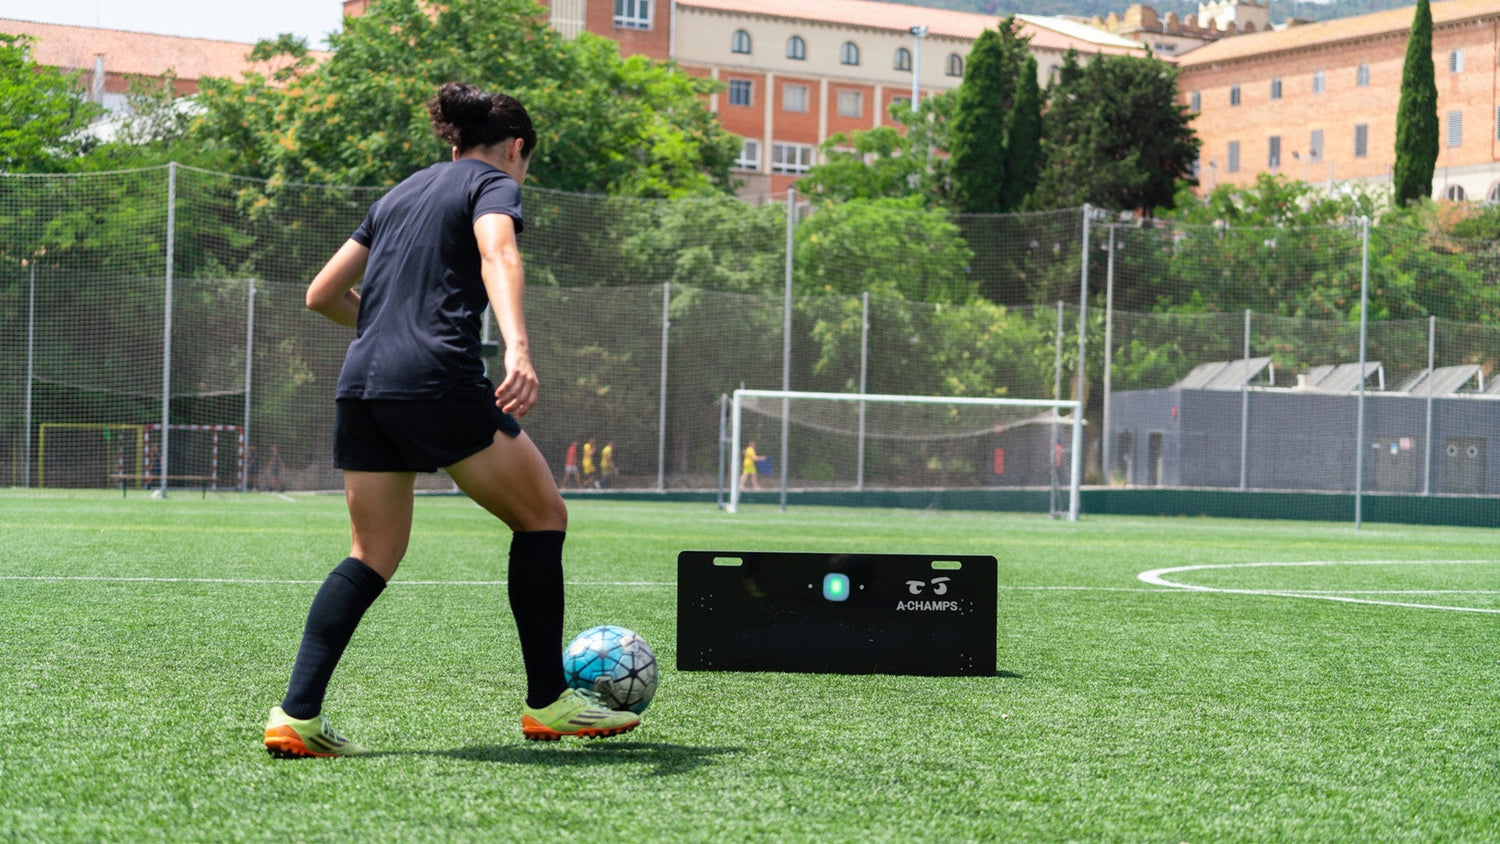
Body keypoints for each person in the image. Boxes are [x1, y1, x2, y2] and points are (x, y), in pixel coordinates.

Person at [264, 82, 639, 758]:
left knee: (371, 555)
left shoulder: (399, 194)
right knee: (543, 516)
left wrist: (388, 324)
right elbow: (499, 253)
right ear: (516, 149)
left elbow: (321, 294)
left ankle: (296, 716)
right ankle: (548, 702)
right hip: (436, 377)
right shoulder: (493, 185)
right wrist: (518, 347)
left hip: (363, 385)